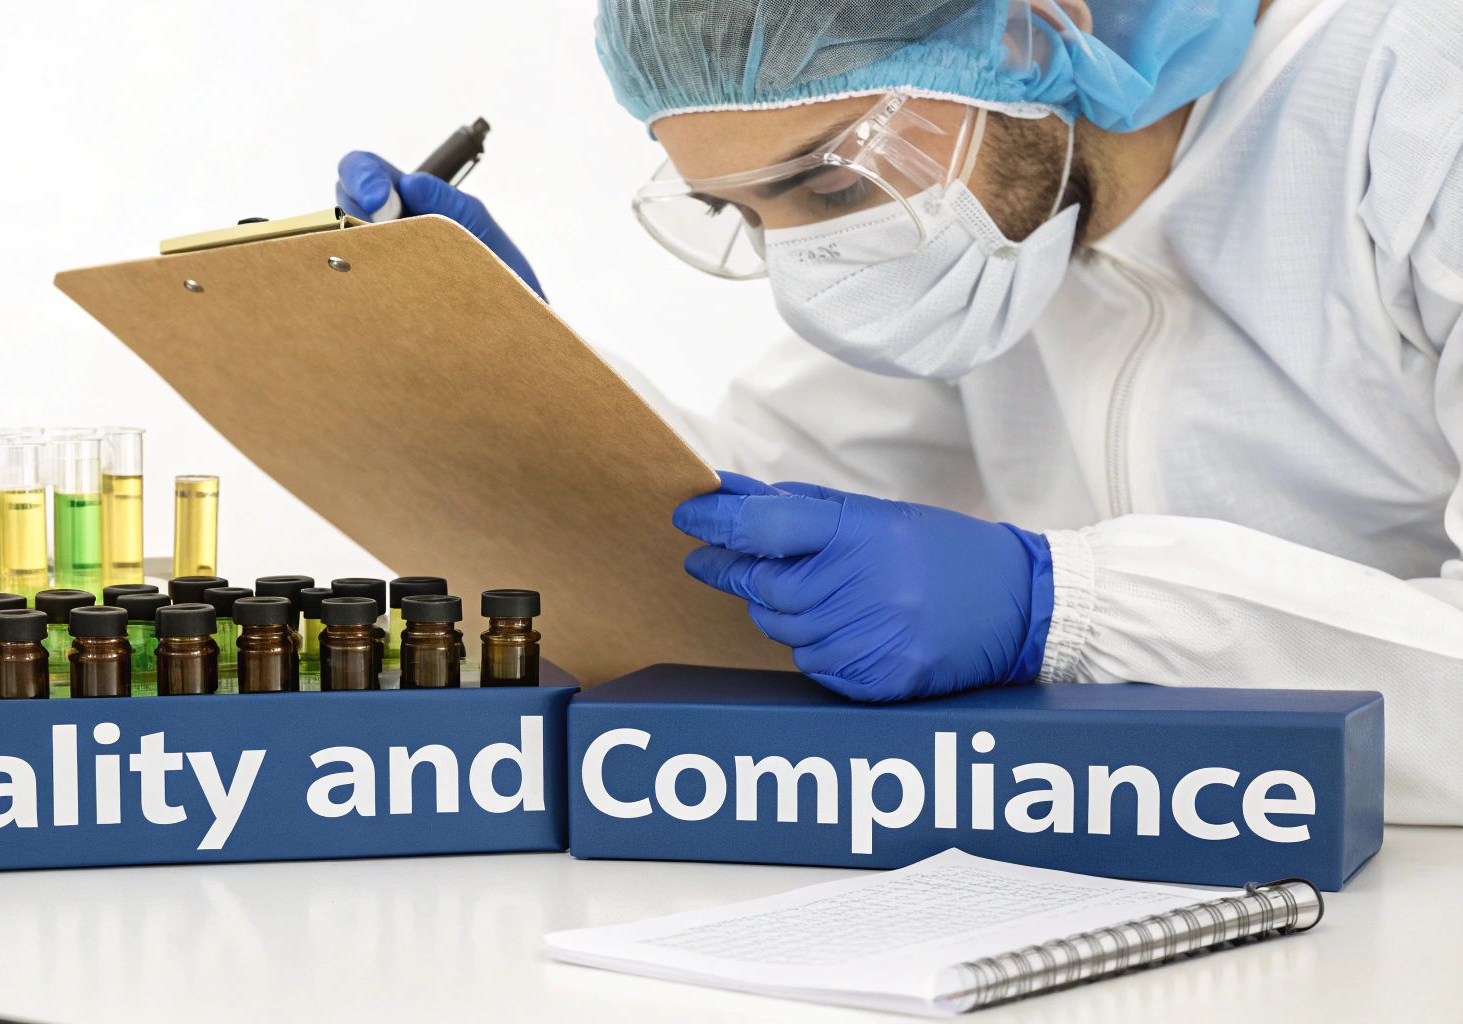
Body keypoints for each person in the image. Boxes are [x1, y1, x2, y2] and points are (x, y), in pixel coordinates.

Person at [337, 0, 1463, 824]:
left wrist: (1064, 608)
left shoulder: (1416, 102)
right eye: (738, 212)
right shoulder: (994, 223)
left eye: (826, 184)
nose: (809, 261)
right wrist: (529, 376)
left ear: (1033, 29)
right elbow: (763, 516)